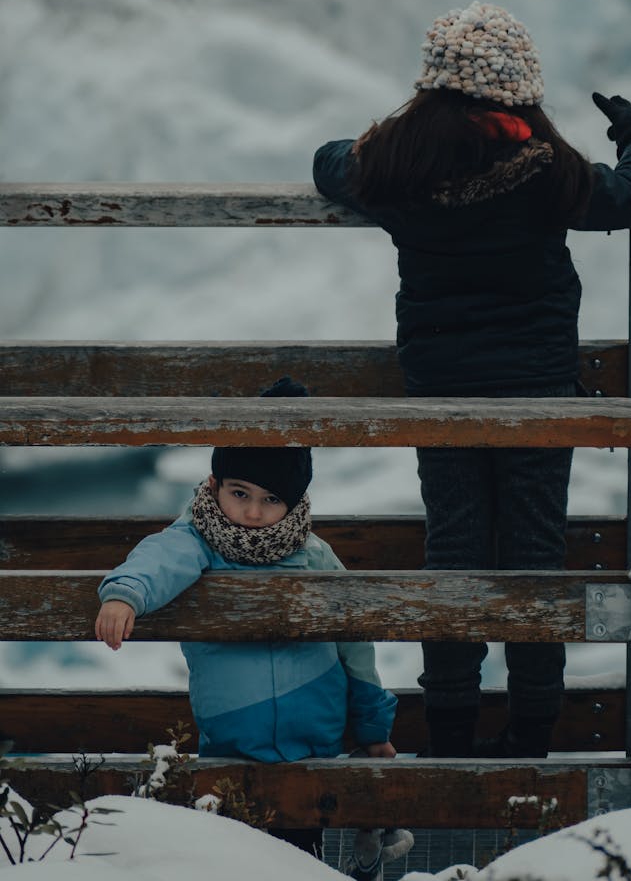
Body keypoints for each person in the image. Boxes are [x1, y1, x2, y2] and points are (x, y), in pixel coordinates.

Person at [312, 1, 631, 761]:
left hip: (442, 392)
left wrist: (382, 140)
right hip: (540, 394)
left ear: (434, 88)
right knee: (536, 552)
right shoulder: (549, 171)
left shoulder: (395, 169)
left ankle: (447, 735)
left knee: (456, 548)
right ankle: (531, 734)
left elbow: (327, 160)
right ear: (521, 93)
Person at [95, 376, 412, 877]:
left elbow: (355, 642)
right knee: (235, 861)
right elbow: (159, 557)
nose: (250, 512)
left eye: (270, 500)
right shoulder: (199, 539)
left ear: (292, 502)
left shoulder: (314, 556)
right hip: (231, 747)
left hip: (311, 746)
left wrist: (373, 728)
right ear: (216, 485)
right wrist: (124, 594)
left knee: (300, 862)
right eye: (239, 492)